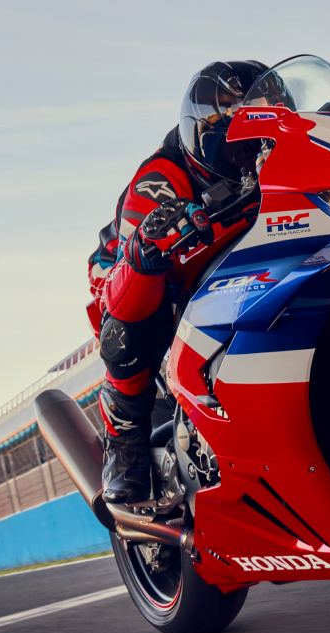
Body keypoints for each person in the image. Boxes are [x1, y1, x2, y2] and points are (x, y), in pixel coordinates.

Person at [86, 60, 268, 504]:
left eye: (259, 144)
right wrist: (149, 243)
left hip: (224, 264)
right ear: (206, 139)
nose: (252, 158)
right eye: (239, 148)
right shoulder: (160, 180)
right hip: (129, 278)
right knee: (128, 325)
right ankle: (123, 441)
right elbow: (120, 288)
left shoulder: (270, 162)